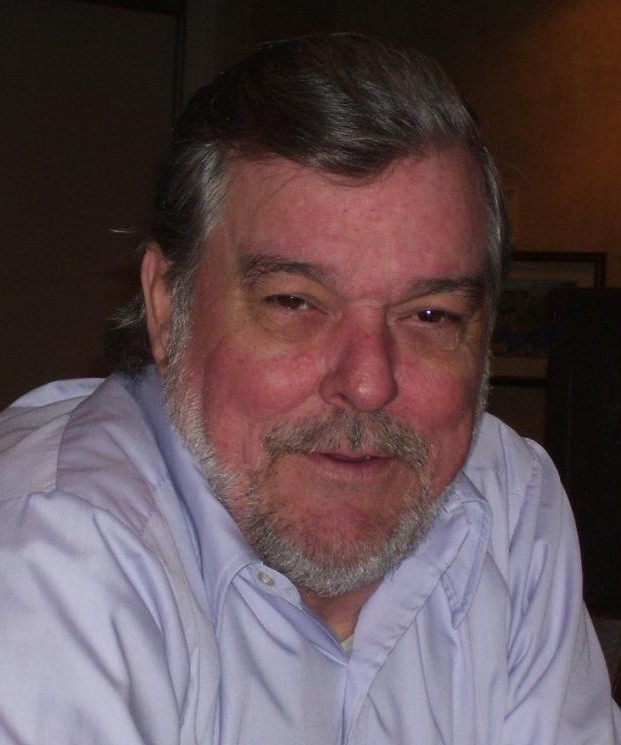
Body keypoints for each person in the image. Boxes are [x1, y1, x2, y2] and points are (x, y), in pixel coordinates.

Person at [0, 33, 618, 745]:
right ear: (167, 307)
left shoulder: (509, 502)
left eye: (430, 315)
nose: (368, 382)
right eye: (294, 302)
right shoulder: (52, 554)